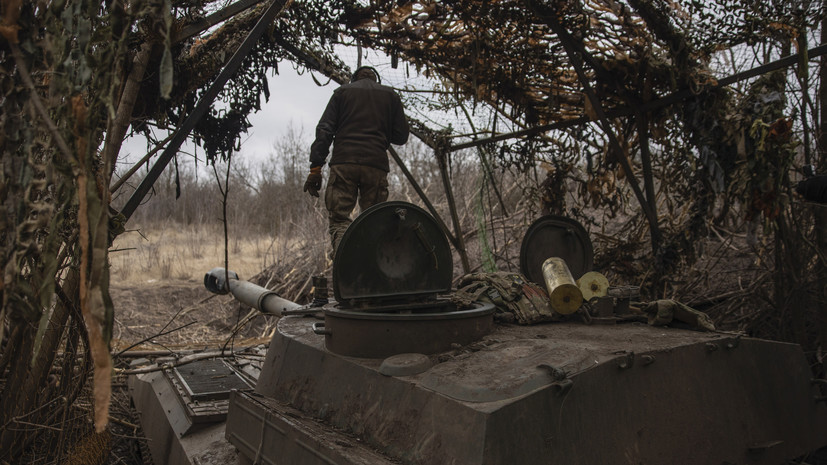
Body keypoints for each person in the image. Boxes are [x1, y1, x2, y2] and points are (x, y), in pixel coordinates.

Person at [304, 66, 410, 255]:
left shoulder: (342, 93)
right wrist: (381, 131)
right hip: (375, 166)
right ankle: (369, 271)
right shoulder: (390, 96)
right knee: (373, 220)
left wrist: (315, 169)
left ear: (354, 79)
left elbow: (325, 131)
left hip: (344, 163)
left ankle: (346, 264)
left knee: (339, 219)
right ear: (376, 80)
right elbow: (401, 136)